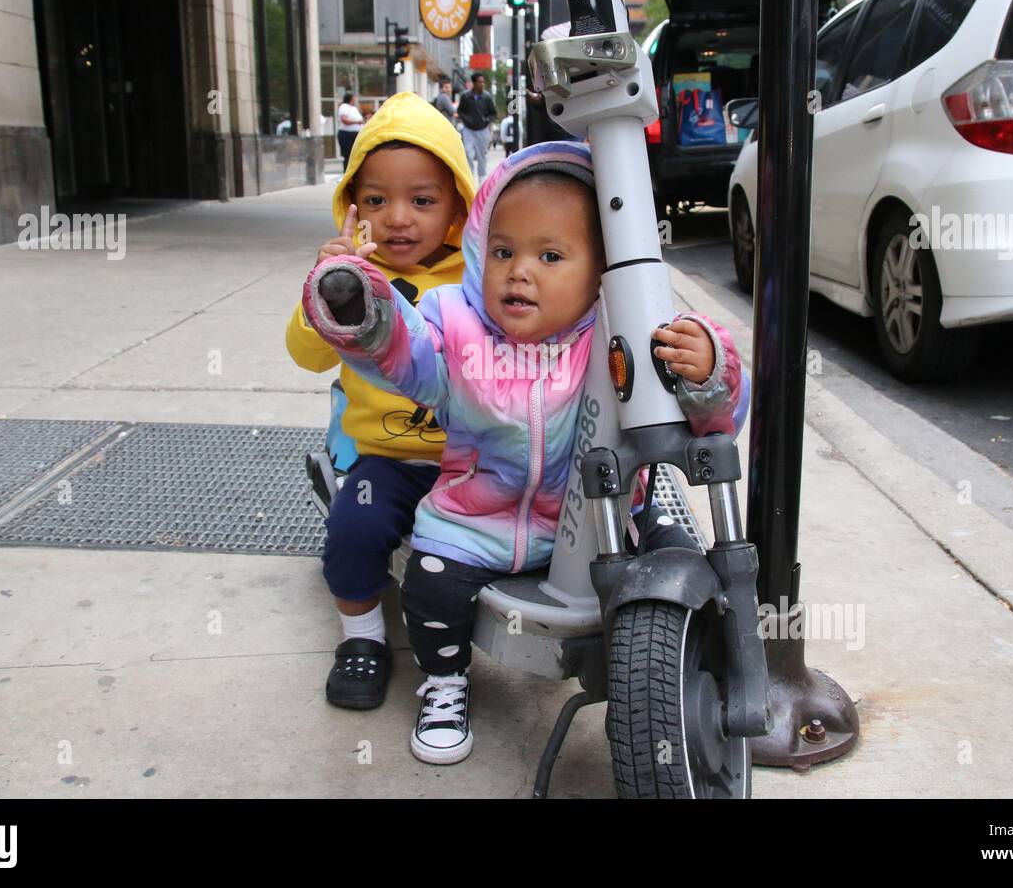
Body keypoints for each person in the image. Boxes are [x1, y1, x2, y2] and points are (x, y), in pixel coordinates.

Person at [300, 141, 748, 764]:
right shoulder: (454, 324)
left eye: (551, 255)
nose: (519, 271)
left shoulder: (620, 331)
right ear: (481, 249)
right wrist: (358, 302)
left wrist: (706, 371)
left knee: (674, 557)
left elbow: (712, 419)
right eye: (504, 251)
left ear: (600, 271)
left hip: (603, 515)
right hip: (479, 515)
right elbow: (404, 352)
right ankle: (446, 683)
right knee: (431, 585)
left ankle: (679, 673)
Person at [285, 91, 476, 711]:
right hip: (388, 459)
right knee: (354, 530)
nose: (398, 217)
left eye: (422, 200)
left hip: (474, 456)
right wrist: (323, 288)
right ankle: (363, 638)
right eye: (376, 200)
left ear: (456, 209)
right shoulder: (350, 281)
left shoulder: (475, 278)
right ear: (352, 208)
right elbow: (307, 355)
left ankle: (455, 649)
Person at [456, 72, 497, 181]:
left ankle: (481, 178)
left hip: (483, 130)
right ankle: (470, 176)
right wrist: (465, 119)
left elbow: (493, 113)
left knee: (481, 155)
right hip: (468, 130)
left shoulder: (487, 97)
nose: (482, 84)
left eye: (482, 82)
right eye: (479, 82)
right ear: (474, 83)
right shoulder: (465, 96)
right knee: (468, 153)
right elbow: (460, 111)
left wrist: (487, 120)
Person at [336, 92, 364, 171]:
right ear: (350, 98)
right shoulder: (344, 107)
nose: (354, 99)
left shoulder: (354, 108)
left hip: (356, 134)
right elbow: (344, 120)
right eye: (353, 98)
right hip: (346, 134)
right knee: (348, 155)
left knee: (356, 155)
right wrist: (356, 122)